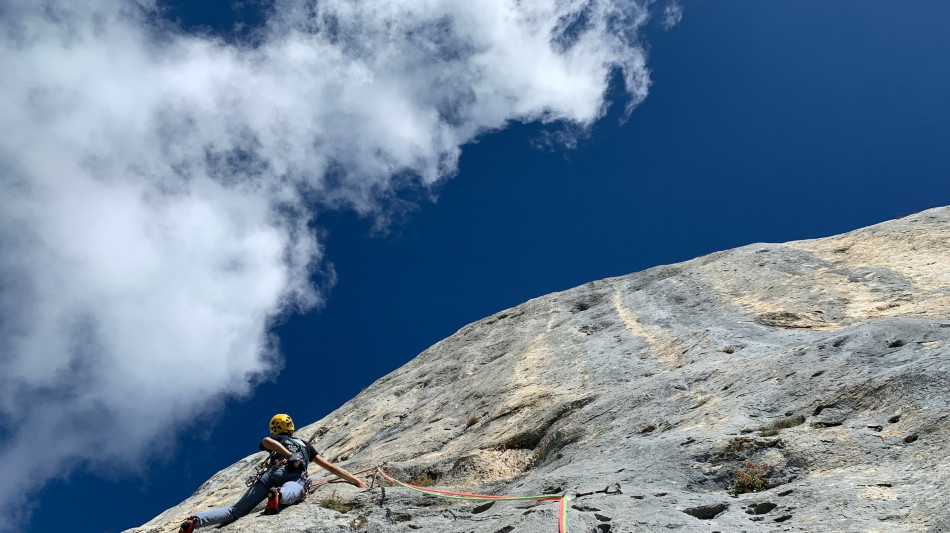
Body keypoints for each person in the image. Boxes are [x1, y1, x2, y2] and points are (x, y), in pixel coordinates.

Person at [179, 413, 369, 532]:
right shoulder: (306, 446)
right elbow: (331, 467)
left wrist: (285, 454)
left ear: (276, 429)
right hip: (294, 474)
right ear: (291, 429)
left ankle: (196, 521)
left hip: (270, 474)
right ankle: (278, 495)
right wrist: (357, 482)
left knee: (235, 511)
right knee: (295, 490)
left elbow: (266, 441)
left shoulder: (276, 439)